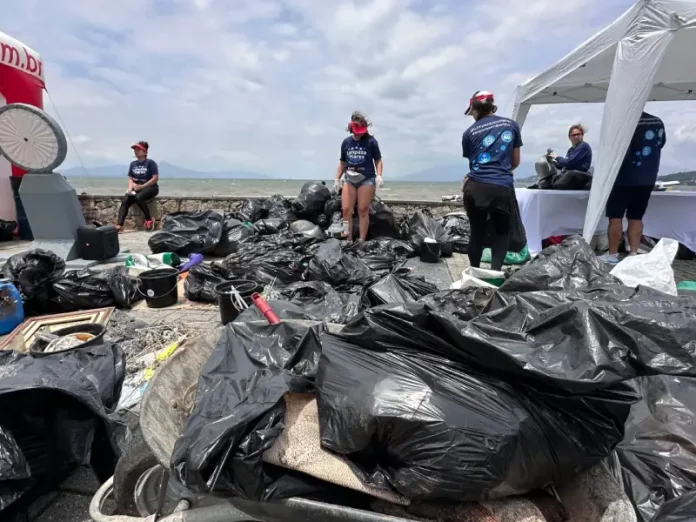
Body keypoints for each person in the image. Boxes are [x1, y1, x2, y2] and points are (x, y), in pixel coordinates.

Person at [461, 91, 522, 271]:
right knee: (502, 232)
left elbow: (474, 164)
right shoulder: (511, 125)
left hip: (475, 186)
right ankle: (494, 274)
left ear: (474, 108)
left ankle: (474, 273)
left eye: (471, 112)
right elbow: (515, 162)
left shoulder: (469, 132)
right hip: (501, 186)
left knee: (476, 232)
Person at [599, 111, 666, 264]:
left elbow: (612, 148)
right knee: (636, 217)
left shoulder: (623, 119)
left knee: (615, 217)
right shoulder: (657, 121)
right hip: (647, 177)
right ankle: (633, 254)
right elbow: (660, 144)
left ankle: (612, 255)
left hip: (623, 178)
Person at [333, 111, 383, 243]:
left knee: (362, 209)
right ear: (351, 128)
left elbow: (378, 160)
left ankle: (361, 240)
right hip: (349, 177)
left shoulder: (371, 142)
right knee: (346, 210)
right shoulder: (346, 143)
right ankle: (347, 238)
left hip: (366, 178)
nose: (360, 133)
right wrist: (337, 179)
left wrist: (379, 176)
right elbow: (343, 162)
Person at [116, 141, 159, 231]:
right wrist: (129, 189)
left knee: (139, 197)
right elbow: (131, 178)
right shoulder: (133, 164)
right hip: (137, 188)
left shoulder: (150, 163)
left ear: (145, 152)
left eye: (139, 149)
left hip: (151, 187)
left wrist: (143, 186)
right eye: (135, 149)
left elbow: (155, 178)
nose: (136, 151)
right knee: (125, 200)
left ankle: (149, 220)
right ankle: (119, 225)